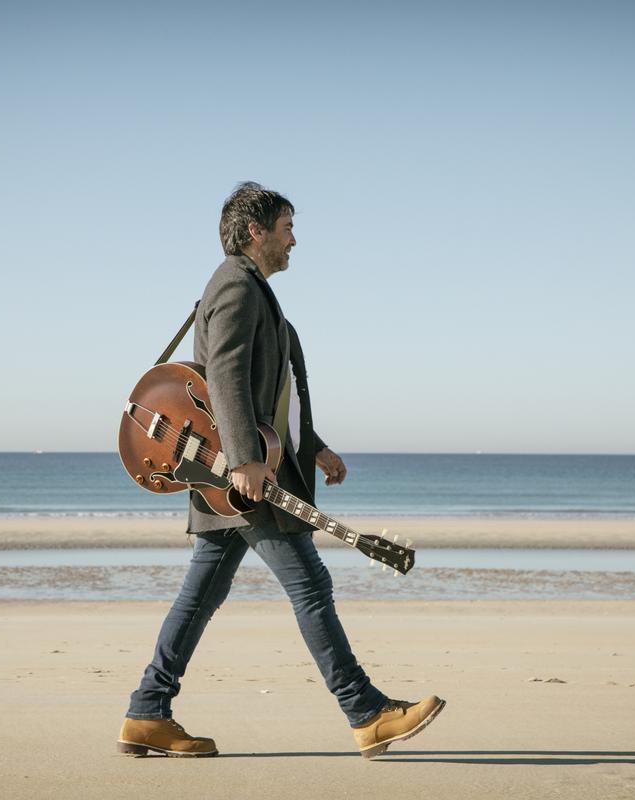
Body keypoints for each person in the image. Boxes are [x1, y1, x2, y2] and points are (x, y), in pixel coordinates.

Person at [117, 182, 444, 759]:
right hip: (242, 477)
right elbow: (225, 376)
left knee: (199, 598)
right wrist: (244, 458)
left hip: (239, 474)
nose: (295, 238)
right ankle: (366, 713)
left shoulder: (255, 292)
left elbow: (275, 396)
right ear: (254, 233)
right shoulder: (237, 286)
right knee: (311, 585)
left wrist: (312, 446)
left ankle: (147, 712)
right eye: (287, 227)